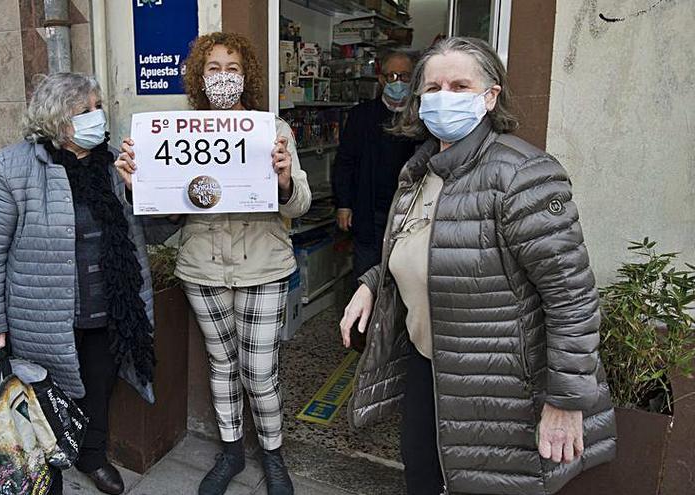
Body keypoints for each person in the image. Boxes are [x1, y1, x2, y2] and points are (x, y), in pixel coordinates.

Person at [339, 38, 617, 495]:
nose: (443, 96)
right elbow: (415, 248)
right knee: (423, 478)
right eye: (433, 87)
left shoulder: (522, 174)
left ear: (490, 96)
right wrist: (373, 283)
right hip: (428, 367)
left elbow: (573, 299)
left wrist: (567, 401)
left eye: (460, 85)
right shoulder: (420, 170)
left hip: (499, 386)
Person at [115, 32, 311, 495]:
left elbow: (299, 205)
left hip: (263, 264)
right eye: (214, 69)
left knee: (259, 370)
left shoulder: (272, 130)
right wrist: (135, 185)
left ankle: (273, 454)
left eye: (234, 69)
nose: (224, 78)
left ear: (248, 77)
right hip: (203, 267)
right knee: (222, 365)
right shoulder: (178, 133)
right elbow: (166, 214)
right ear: (200, 78)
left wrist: (284, 181)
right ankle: (231, 452)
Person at [0, 73, 157, 495]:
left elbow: (156, 231)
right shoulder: (11, 169)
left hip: (108, 307)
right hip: (42, 317)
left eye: (98, 106)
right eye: (85, 110)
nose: (97, 116)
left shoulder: (114, 165)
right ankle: (37, 467)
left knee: (98, 388)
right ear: (57, 120)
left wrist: (139, 188)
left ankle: (92, 456)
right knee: (39, 396)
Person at [332, 50, 423, 278]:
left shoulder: (423, 116)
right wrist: (344, 204)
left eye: (404, 76)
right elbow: (345, 162)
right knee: (367, 275)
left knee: (405, 277)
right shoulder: (361, 116)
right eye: (392, 76)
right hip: (370, 211)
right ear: (381, 79)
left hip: (411, 214)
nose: (398, 82)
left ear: (414, 80)